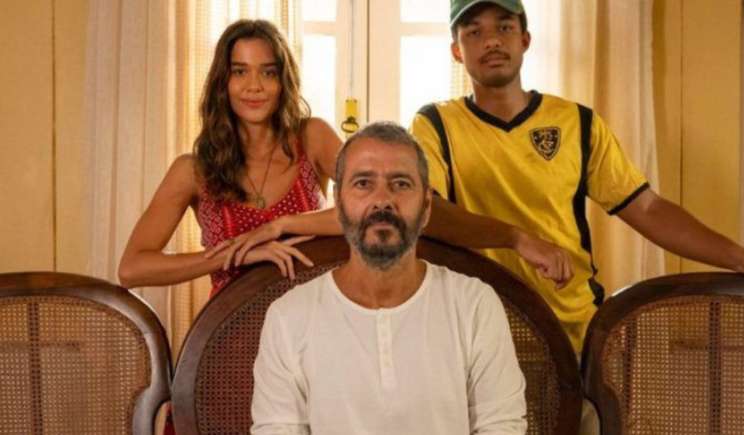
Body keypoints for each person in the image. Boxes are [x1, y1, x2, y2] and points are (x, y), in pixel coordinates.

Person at [408, 0, 744, 356]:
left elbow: (648, 209)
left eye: (504, 27)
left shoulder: (577, 123)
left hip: (573, 335)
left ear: (525, 39)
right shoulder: (435, 125)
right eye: (474, 32)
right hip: (480, 333)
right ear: (456, 51)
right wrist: (516, 238)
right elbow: (425, 212)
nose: (491, 41)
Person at [250, 122, 527, 435]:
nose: (382, 200)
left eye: (401, 184)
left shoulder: (474, 305)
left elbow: (502, 426)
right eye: (363, 183)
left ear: (426, 207)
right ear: (338, 204)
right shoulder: (288, 317)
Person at [118, 19, 341, 296]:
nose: (254, 86)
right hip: (231, 320)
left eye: (268, 72)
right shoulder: (193, 171)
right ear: (222, 82)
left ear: (283, 81)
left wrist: (281, 226)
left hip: (314, 316)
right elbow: (131, 269)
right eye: (240, 71)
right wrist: (232, 254)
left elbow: (374, 211)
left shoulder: (313, 137)